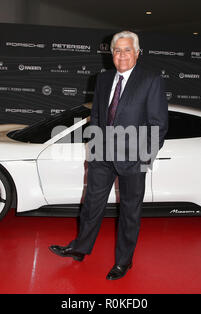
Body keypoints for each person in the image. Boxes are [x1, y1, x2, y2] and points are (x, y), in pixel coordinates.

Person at [49, 30, 168, 280]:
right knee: (91, 204)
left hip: (134, 159)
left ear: (137, 53)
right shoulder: (102, 79)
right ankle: (80, 248)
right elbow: (99, 117)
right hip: (102, 155)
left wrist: (145, 158)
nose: (122, 55)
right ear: (111, 54)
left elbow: (159, 124)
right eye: (117, 50)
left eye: (127, 50)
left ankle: (124, 261)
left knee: (129, 212)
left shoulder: (150, 79)